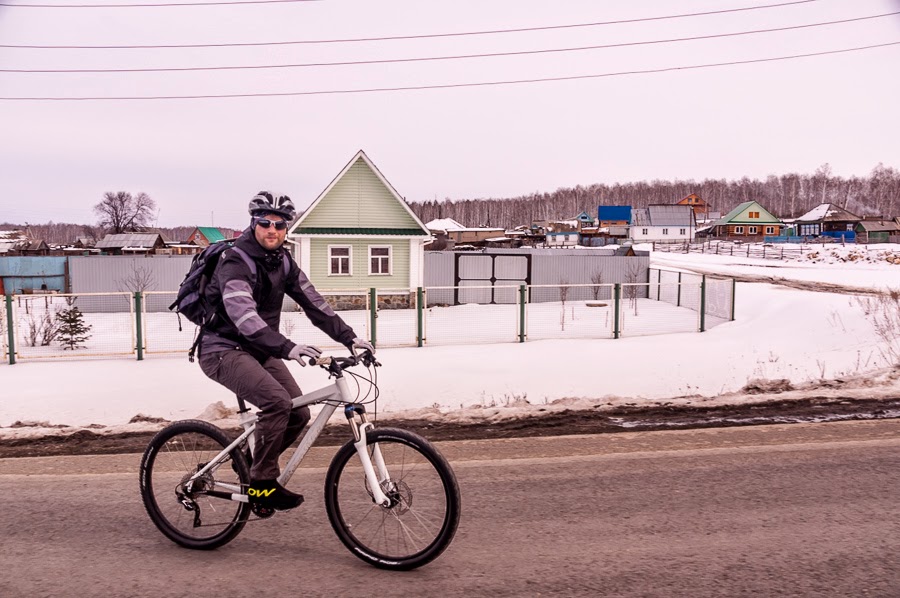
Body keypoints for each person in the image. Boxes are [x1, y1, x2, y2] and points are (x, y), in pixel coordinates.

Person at [198, 190, 374, 511]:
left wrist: (350, 338)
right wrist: (288, 347)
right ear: (253, 225)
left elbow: (315, 304)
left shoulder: (284, 262)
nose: (272, 230)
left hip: (260, 349)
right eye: (264, 223)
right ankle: (262, 486)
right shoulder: (236, 261)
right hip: (222, 349)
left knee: (298, 412)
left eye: (279, 225)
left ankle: (251, 466)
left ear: (286, 229)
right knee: (278, 403)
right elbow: (244, 316)